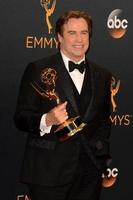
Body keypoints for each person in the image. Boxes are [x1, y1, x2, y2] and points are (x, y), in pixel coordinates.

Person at [14, 10, 112, 200]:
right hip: (48, 173)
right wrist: (47, 119)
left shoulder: (103, 75)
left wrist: (100, 156)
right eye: (72, 33)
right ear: (59, 36)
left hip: (89, 176)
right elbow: (20, 118)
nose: (79, 39)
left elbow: (104, 121)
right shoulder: (38, 69)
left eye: (84, 32)